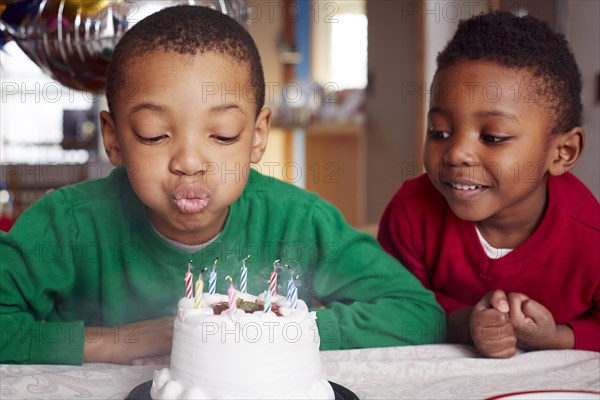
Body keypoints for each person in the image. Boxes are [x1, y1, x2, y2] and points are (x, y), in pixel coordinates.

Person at [0, 5, 445, 365]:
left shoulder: (298, 223)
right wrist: (118, 341)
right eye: (154, 134)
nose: (190, 163)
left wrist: (278, 330)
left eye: (224, 134)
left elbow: (418, 314)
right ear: (113, 139)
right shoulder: (68, 225)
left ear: (256, 136)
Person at [378, 11, 599, 358]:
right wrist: (466, 322)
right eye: (440, 132)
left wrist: (558, 337)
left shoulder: (591, 237)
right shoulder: (411, 212)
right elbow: (392, 304)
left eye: (493, 137)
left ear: (562, 152)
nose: (457, 153)